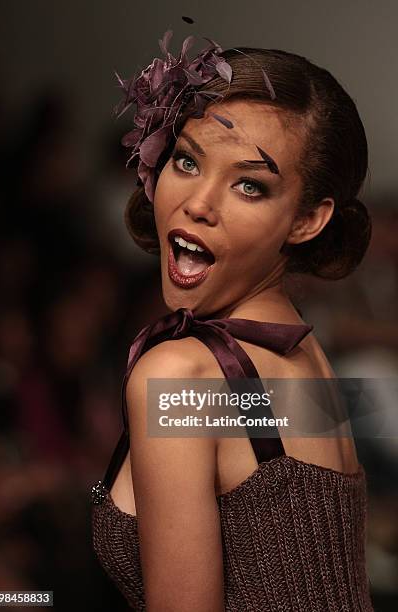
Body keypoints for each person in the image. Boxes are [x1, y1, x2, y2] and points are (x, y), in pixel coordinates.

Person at [91, 31, 374, 611]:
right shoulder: (306, 361)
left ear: (306, 220)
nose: (198, 203)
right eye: (187, 161)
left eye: (250, 185)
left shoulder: (183, 375)